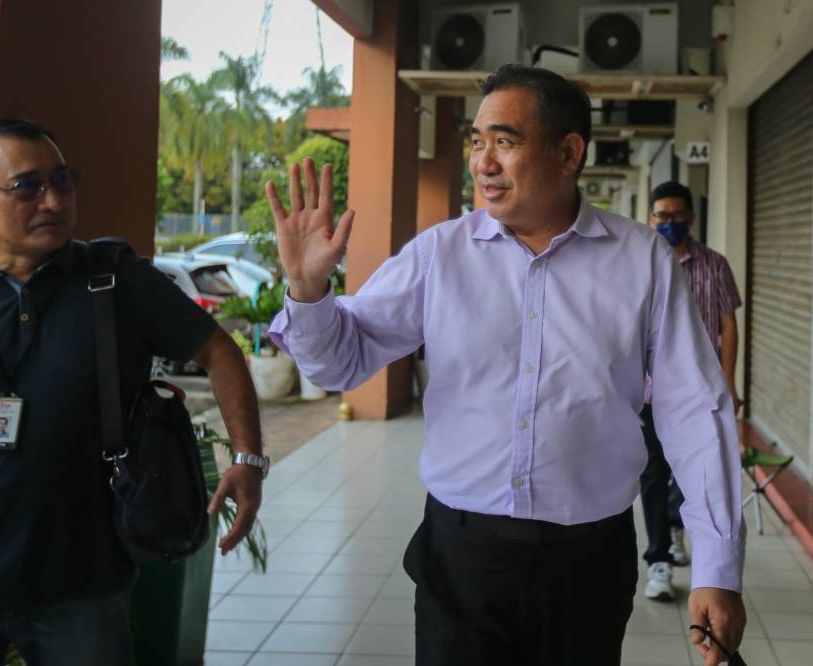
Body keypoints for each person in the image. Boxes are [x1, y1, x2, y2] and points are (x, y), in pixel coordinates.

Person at [266, 65, 746, 666]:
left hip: (587, 563)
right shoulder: (440, 255)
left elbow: (694, 410)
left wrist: (717, 566)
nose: (482, 162)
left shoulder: (640, 260)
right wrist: (310, 292)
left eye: (505, 141)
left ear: (568, 152)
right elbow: (340, 363)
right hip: (461, 559)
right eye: (476, 141)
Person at [0, 118, 266, 666]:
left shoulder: (116, 280)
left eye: (63, 181)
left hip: (81, 583)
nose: (54, 200)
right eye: (27, 186)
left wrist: (246, 459)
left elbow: (219, 352)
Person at [640, 180, 744, 603]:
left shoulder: (714, 265)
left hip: (701, 393)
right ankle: (658, 558)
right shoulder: (641, 263)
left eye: (676, 216)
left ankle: (674, 519)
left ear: (692, 218)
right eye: (661, 216)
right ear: (651, 218)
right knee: (652, 474)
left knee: (698, 472)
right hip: (649, 392)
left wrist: (730, 381)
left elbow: (728, 325)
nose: (669, 223)